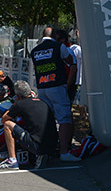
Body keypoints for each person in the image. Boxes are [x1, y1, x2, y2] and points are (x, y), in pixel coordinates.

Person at [29, 27, 80, 162]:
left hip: (42, 88)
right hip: (57, 86)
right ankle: (64, 152)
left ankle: (46, 150)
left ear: (42, 35)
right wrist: (69, 84)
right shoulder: (59, 46)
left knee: (46, 120)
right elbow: (71, 63)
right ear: (54, 36)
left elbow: (36, 68)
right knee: (65, 119)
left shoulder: (34, 51)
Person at [0, 80, 59, 170]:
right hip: (53, 145)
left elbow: (4, 119)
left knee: (7, 124)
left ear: (18, 96)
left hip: (38, 145)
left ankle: (12, 160)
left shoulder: (20, 104)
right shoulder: (43, 102)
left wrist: (14, 103)